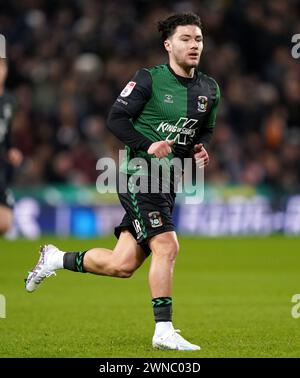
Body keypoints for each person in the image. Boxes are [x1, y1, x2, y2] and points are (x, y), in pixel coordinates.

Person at [25, 12, 220, 351]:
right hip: (138, 175)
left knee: (123, 264)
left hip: (168, 181)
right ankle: (163, 330)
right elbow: (116, 118)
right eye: (186, 39)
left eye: (198, 39)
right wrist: (147, 145)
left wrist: (197, 153)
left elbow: (196, 137)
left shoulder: (209, 90)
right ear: (168, 45)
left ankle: (55, 258)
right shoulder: (148, 79)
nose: (194, 45)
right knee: (167, 245)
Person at [0, 58, 23, 235]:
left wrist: (10, 149)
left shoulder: (9, 101)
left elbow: (6, 131)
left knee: (5, 222)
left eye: (2, 66)